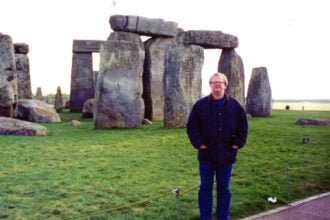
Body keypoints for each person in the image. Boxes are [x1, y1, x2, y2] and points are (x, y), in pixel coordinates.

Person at [186, 72, 248, 220]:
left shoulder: (235, 106)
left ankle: (223, 217)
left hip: (226, 154)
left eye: (220, 82)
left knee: (224, 189)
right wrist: (199, 144)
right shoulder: (200, 105)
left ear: (225, 85)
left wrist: (236, 145)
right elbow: (191, 127)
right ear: (210, 85)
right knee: (205, 188)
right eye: (214, 82)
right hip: (207, 154)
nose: (217, 85)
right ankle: (205, 217)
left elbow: (243, 128)